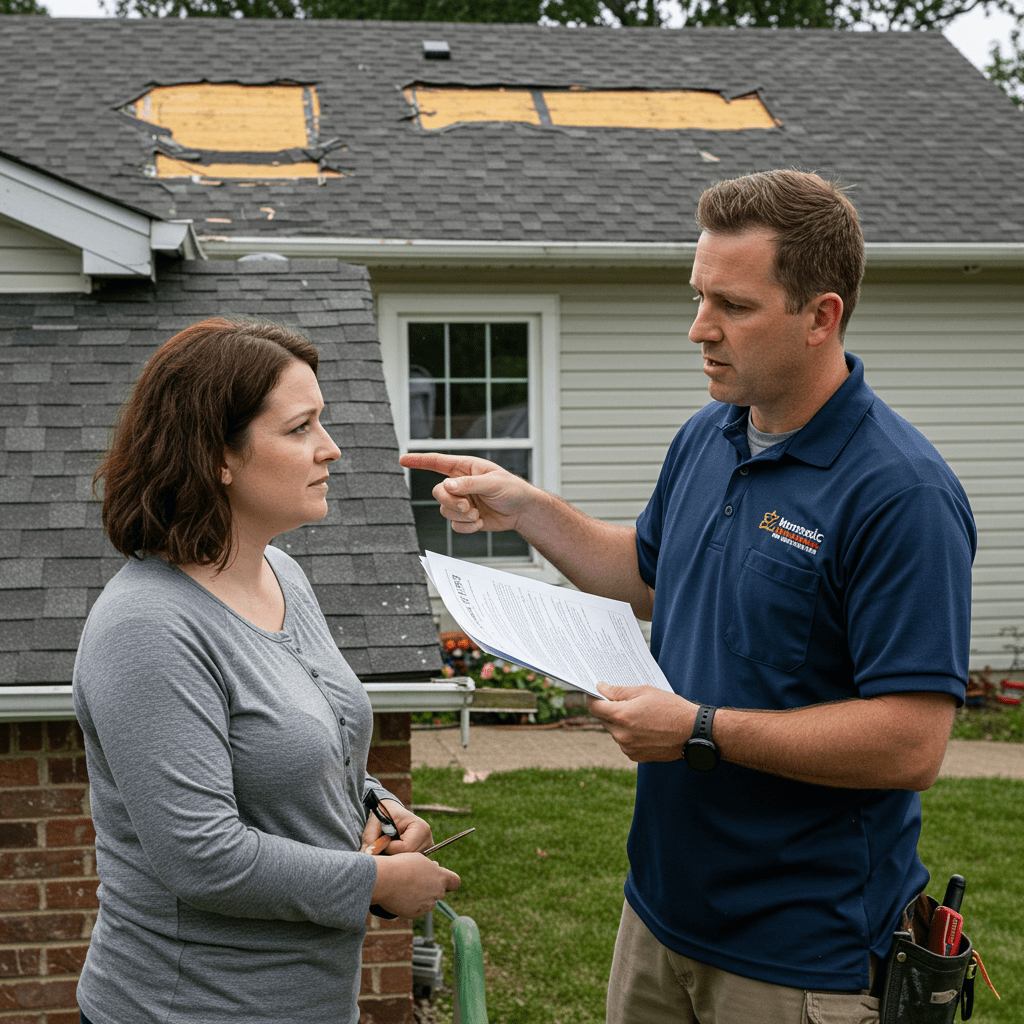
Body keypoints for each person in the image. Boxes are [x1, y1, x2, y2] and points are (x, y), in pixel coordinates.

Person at [401, 170, 976, 1024]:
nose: (699, 329)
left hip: (798, 954)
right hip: (661, 913)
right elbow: (646, 568)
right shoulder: (711, 433)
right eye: (699, 296)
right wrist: (528, 509)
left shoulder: (900, 494)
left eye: (734, 307)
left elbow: (910, 744)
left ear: (822, 316)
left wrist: (697, 730)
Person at [73, 317, 459, 1024]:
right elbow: (202, 857)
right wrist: (373, 880)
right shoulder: (147, 628)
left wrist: (374, 806)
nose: (331, 449)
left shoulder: (279, 571)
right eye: (300, 428)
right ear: (217, 456)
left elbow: (304, 743)